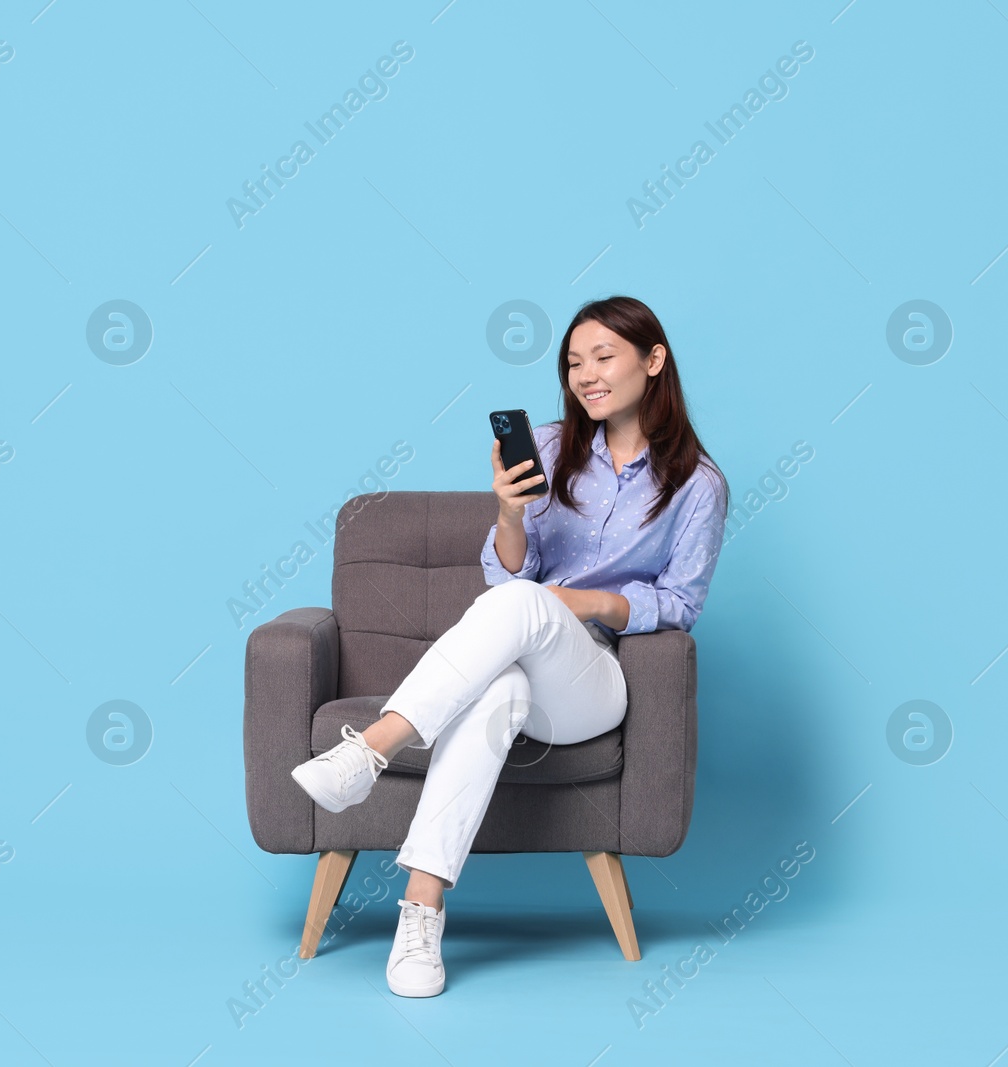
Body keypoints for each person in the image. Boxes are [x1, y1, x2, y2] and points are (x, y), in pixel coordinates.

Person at [290, 294, 730, 997]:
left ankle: (370, 749)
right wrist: (505, 509)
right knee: (499, 688)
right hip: (517, 648)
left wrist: (576, 601)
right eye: (574, 361)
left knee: (524, 606)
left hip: (593, 680)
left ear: (653, 361)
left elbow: (680, 603)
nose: (586, 374)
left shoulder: (697, 486)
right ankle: (420, 917)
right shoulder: (552, 447)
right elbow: (507, 574)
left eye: (603, 356)